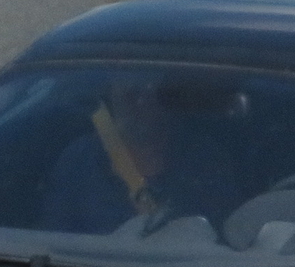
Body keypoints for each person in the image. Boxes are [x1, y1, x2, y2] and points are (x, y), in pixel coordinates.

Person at [35, 75, 240, 235]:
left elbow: (224, 237)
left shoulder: (204, 159)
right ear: (112, 97)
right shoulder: (79, 160)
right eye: (131, 95)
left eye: (150, 92)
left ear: (166, 102)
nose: (141, 103)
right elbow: (54, 239)